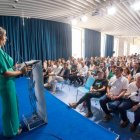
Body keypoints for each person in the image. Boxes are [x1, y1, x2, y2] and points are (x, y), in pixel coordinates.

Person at [0, 27, 28, 137]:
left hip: (9, 84)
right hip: (6, 84)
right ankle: (10, 132)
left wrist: (14, 66)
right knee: (9, 108)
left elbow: (7, 67)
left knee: (13, 105)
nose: (6, 38)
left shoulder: (1, 50)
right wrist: (20, 71)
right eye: (5, 36)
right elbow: (5, 73)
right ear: (0, 37)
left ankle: (15, 127)